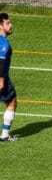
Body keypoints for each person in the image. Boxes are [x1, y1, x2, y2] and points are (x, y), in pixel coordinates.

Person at [0, 13, 19, 141]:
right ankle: (5, 134)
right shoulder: (4, 44)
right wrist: (1, 81)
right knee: (12, 101)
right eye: (8, 23)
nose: (11, 25)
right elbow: (0, 63)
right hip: (2, 78)